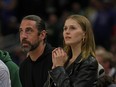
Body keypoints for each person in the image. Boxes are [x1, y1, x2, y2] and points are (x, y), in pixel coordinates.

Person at [44, 14, 98, 87]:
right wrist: (54, 67)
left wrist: (59, 68)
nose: (67, 32)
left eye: (73, 28)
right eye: (65, 28)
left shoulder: (89, 63)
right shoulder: (63, 59)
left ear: (84, 34)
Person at [19, 15, 54, 87]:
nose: (23, 36)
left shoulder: (57, 58)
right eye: (21, 31)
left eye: (28, 30)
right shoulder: (23, 67)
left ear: (42, 35)